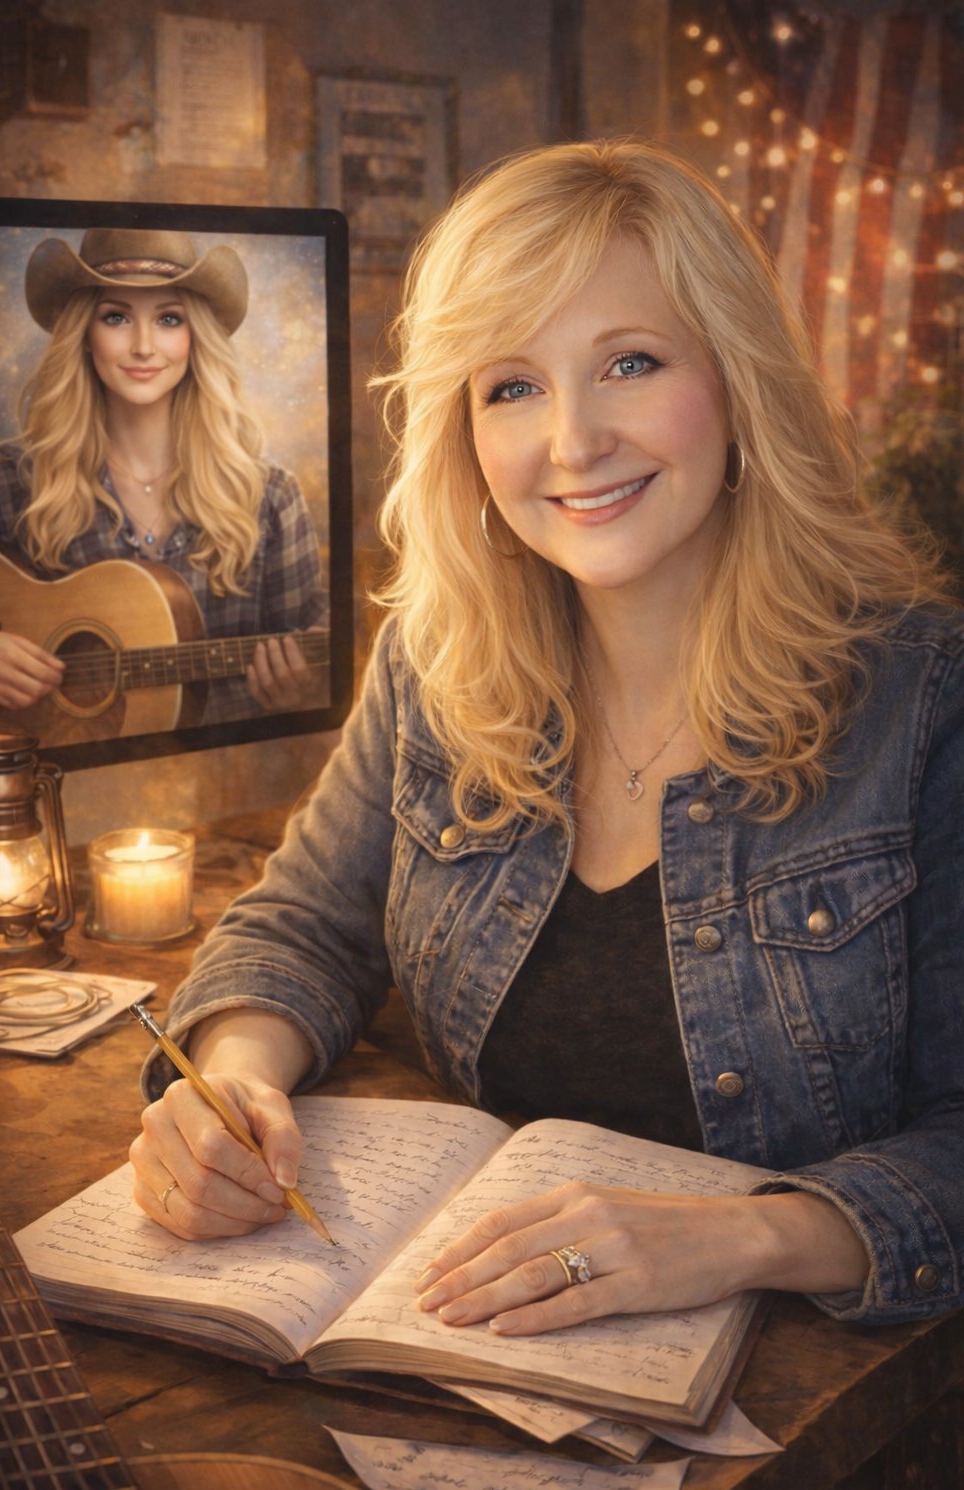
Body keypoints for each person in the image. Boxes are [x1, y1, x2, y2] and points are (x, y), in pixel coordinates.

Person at [130, 140, 963, 1336]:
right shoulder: (438, 660)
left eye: (629, 362)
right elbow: (305, 924)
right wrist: (235, 1080)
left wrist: (749, 1235)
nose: (571, 442)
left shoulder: (925, 699)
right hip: (470, 1357)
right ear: (463, 435)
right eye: (510, 385)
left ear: (737, 382)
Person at [0, 228, 327, 726]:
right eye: (116, 317)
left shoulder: (271, 496)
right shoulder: (15, 479)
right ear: (84, 335)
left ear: (195, 339)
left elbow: (319, 647)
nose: (144, 346)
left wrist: (301, 691)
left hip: (227, 782)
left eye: (169, 319)